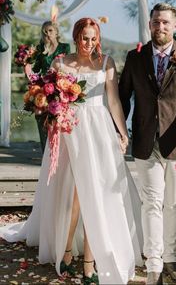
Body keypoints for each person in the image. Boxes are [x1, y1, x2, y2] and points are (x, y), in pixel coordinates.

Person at [0, 18, 142, 284]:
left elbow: (113, 101)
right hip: (71, 132)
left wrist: (123, 133)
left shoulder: (107, 62)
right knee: (74, 193)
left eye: (93, 38)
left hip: (99, 132)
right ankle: (66, 250)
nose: (89, 44)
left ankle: (89, 260)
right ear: (76, 37)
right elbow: (51, 100)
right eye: (84, 38)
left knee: (97, 191)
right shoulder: (61, 63)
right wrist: (52, 117)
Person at [119, 3, 176, 284]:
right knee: (152, 202)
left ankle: (170, 257)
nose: (160, 27)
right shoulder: (134, 58)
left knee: (172, 202)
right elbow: (123, 98)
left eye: (165, 23)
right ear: (149, 24)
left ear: (175, 26)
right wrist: (118, 130)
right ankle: (153, 265)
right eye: (156, 22)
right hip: (146, 142)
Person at [24, 21, 71, 152]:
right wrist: (27, 61)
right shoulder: (40, 49)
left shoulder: (64, 48)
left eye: (50, 30)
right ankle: (46, 153)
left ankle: (58, 153)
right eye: (45, 32)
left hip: (58, 90)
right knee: (42, 120)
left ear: (56, 32)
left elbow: (67, 68)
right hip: (42, 90)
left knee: (57, 122)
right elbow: (36, 69)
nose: (47, 34)